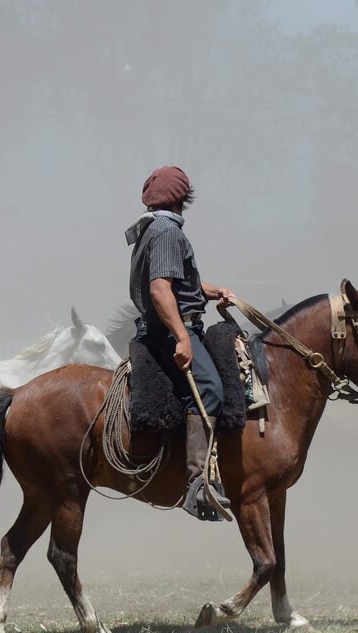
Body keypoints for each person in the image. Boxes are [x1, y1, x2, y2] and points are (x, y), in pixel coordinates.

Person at [126, 166, 235, 521]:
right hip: (169, 332)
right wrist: (183, 337)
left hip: (170, 326)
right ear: (183, 199)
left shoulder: (152, 228)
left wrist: (211, 290)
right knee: (208, 390)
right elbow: (160, 290)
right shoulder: (166, 232)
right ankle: (198, 484)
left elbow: (175, 281)